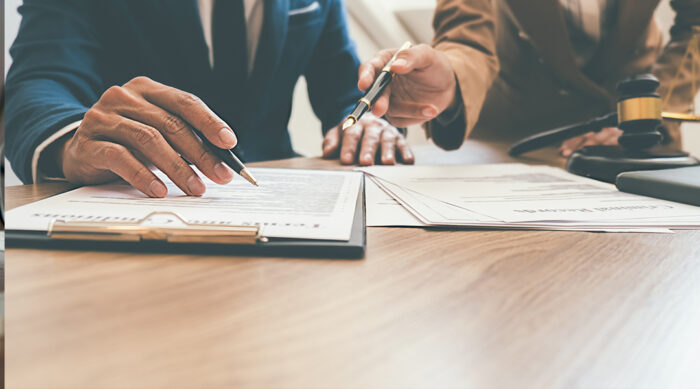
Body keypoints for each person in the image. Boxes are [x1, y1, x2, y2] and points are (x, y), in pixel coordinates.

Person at [5, 0, 414, 197]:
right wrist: (75, 143)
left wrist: (369, 125)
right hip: (142, 204)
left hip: (279, 203)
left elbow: (345, 92)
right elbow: (39, 82)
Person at [360, 0, 700, 156]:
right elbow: (467, 33)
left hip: (631, 126)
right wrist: (453, 80)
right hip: (516, 135)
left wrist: (653, 110)